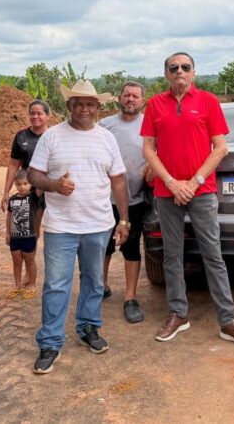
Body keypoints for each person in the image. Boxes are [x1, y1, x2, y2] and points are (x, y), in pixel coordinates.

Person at [141, 52, 234, 349]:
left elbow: (220, 148)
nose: (179, 71)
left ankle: (228, 321)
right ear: (166, 74)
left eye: (185, 67)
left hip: (201, 191)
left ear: (193, 72)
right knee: (172, 254)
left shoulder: (208, 101)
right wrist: (170, 182)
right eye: (173, 68)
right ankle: (178, 314)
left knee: (213, 255)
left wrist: (192, 182)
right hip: (167, 192)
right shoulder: (155, 104)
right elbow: (148, 150)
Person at [27, 80, 130, 374]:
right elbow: (34, 175)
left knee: (95, 281)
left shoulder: (107, 139)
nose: (84, 109)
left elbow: (119, 181)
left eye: (90, 104)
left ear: (98, 107)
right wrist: (54, 185)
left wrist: (124, 219)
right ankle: (50, 341)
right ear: (69, 106)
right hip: (61, 226)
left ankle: (88, 327)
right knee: (56, 285)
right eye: (78, 103)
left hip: (98, 224)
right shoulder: (51, 137)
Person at [100, 81, 154, 323]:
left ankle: (130, 298)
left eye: (135, 96)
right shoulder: (105, 126)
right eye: (126, 95)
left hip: (136, 198)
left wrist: (153, 167)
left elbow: (159, 154)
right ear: (119, 99)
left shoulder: (151, 126)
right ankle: (100, 286)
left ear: (143, 100)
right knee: (104, 245)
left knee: (132, 247)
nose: (130, 99)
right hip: (105, 199)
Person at [2, 100, 51, 237]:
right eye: (32, 113)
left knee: (56, 227)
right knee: (31, 229)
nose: (35, 116)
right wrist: (6, 192)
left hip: (51, 188)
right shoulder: (21, 136)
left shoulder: (54, 135)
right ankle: (31, 257)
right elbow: (13, 164)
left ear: (48, 116)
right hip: (30, 190)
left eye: (39, 113)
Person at [5, 169, 38, 298]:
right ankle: (18, 285)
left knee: (30, 261)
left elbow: (41, 189)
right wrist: (8, 233)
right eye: (19, 184)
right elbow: (9, 216)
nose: (22, 187)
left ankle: (32, 284)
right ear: (15, 184)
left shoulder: (33, 197)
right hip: (15, 238)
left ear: (30, 184)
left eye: (25, 183)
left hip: (29, 236)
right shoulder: (12, 199)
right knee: (16, 261)